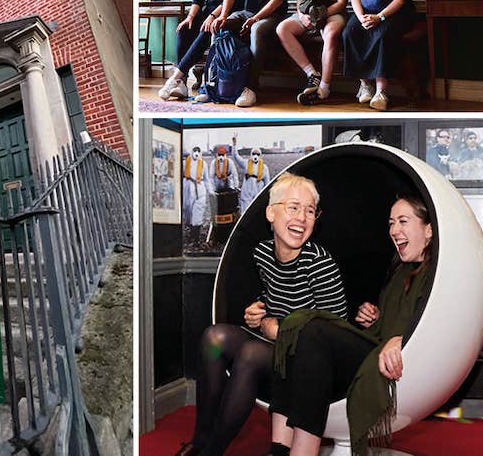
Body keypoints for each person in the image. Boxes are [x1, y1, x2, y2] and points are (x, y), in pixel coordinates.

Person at [180, 173, 348, 456]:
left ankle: (211, 452)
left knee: (251, 353)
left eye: (310, 211)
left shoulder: (320, 264)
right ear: (271, 213)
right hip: (273, 346)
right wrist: (256, 312)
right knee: (214, 337)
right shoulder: (262, 254)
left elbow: (337, 332)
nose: (302, 217)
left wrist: (277, 329)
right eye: (293, 207)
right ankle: (201, 439)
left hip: (309, 362)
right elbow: (274, 295)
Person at [268, 195, 435, 456]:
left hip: (397, 361)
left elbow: (434, 322)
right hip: (376, 347)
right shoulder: (400, 270)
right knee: (299, 325)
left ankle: (302, 452)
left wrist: (401, 337)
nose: (394, 230)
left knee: (312, 329)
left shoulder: (435, 274)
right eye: (391, 223)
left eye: (403, 221)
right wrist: (376, 317)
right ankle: (279, 448)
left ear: (428, 230)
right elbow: (396, 317)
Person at [159, 0, 236, 100]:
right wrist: (190, 17)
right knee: (183, 30)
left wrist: (213, 16)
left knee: (205, 29)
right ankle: (183, 84)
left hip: (224, 14)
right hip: (205, 13)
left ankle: (175, 78)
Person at [229, 141, 270, 214]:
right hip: (246, 190)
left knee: (256, 209)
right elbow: (235, 156)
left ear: (260, 155)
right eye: (254, 154)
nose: (255, 156)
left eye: (257, 154)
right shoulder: (245, 163)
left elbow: (267, 183)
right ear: (251, 154)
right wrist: (234, 144)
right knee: (245, 208)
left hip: (257, 190)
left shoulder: (264, 167)